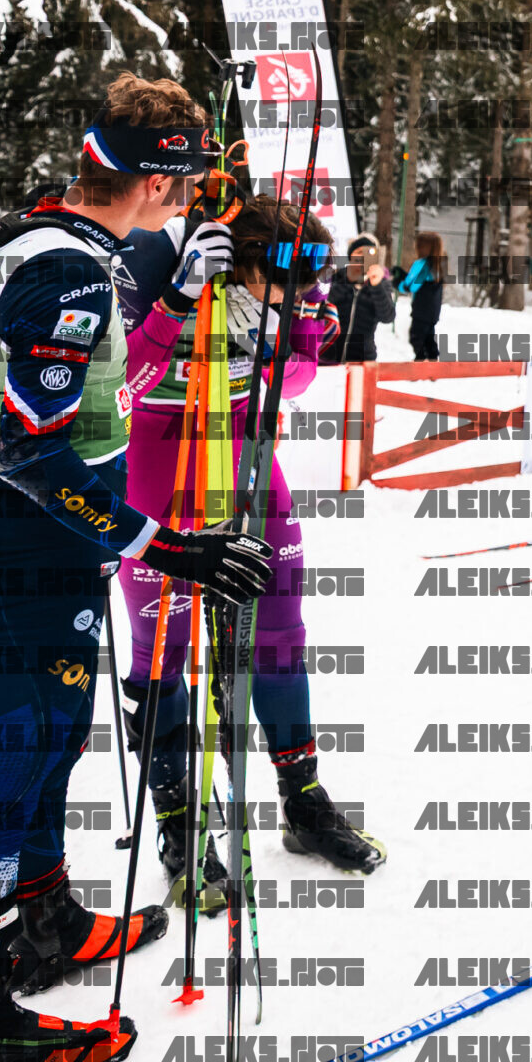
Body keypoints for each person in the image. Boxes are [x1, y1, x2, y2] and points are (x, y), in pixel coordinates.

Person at [0, 73, 272, 1062]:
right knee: (6, 761)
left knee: (52, 742)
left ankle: (42, 913)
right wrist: (160, 545)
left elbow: (101, 391)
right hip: (26, 553)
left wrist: (173, 302)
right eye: (189, 182)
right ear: (157, 183)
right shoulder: (68, 273)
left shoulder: (67, 245)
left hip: (51, 553)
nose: (192, 200)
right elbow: (34, 454)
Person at [110, 193, 385, 905]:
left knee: (279, 639)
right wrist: (178, 302)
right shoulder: (159, 260)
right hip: (159, 469)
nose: (297, 296)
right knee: (162, 654)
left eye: (307, 286)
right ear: (246, 260)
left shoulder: (295, 288)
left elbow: (296, 380)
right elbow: (121, 385)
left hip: (248, 463)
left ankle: (303, 802)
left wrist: (292, 338)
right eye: (283, 285)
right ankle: (179, 824)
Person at [323, 234, 394, 363]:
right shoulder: (336, 276)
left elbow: (387, 317)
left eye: (368, 253)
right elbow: (323, 306)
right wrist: (348, 280)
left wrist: (376, 286)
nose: (362, 258)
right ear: (350, 256)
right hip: (328, 356)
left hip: (363, 358)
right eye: (359, 252)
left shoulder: (381, 283)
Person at [397, 229, 445, 361]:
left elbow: (411, 286)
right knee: (428, 337)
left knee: (416, 336)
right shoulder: (438, 265)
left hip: (421, 310)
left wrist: (397, 282)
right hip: (433, 311)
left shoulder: (422, 264)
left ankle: (420, 361)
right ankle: (433, 360)